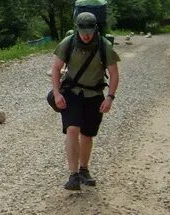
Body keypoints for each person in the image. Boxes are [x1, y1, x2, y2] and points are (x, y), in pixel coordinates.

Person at [50, 11, 120, 191]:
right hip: (72, 93)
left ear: (95, 28)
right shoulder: (68, 43)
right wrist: (57, 94)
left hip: (95, 95)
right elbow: (56, 68)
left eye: (90, 31)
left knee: (87, 134)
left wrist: (110, 97)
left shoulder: (104, 46)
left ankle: (84, 170)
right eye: (83, 31)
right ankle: (73, 175)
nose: (87, 35)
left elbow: (113, 73)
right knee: (72, 129)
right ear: (77, 29)